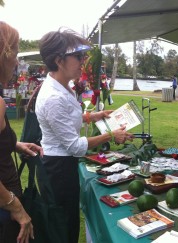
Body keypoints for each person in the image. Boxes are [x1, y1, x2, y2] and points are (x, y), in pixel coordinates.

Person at [35, 29, 134, 243]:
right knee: (63, 227)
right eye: (78, 57)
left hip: (62, 165)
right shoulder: (53, 97)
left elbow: (70, 118)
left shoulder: (63, 87)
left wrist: (95, 115)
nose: (83, 61)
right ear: (59, 60)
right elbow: (75, 146)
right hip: (57, 169)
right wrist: (110, 134)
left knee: (68, 221)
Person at [0, 21, 43, 243]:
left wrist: (15, 144)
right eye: (15, 54)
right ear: (2, 55)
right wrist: (15, 207)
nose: (17, 62)